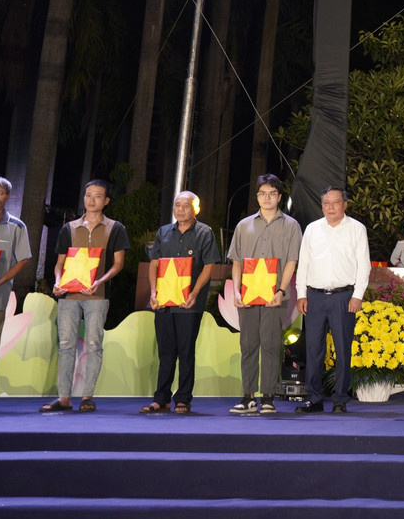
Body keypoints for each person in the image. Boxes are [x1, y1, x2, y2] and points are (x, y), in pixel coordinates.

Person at [42, 179, 130, 412]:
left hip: (98, 295)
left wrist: (99, 281)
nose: (91, 200)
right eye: (88, 195)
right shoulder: (69, 228)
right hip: (68, 296)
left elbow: (118, 263)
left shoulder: (115, 228)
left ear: (107, 201)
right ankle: (63, 398)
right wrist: (58, 283)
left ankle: (87, 396)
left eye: (98, 196)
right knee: (66, 344)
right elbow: (59, 264)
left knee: (93, 343)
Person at [227, 174, 302, 415]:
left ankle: (268, 396)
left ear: (279, 197)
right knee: (248, 345)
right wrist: (237, 291)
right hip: (247, 296)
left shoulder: (291, 225)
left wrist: (281, 290)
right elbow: (236, 261)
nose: (267, 197)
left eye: (272, 193)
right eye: (262, 193)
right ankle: (248, 397)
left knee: (271, 345)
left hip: (275, 297)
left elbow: (292, 260)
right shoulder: (244, 225)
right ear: (257, 196)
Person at [142, 191, 221, 414]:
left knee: (186, 352)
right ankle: (161, 398)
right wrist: (153, 292)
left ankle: (183, 398)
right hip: (164, 302)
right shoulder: (164, 232)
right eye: (177, 205)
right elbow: (154, 264)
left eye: (186, 205)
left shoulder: (204, 233)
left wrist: (195, 292)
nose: (181, 209)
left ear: (196, 209)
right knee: (166, 352)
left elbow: (209, 265)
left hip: (189, 303)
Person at [294, 186, 371, 413]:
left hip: (344, 297)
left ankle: (339, 399)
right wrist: (301, 294)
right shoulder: (312, 229)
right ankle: (314, 398)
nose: (330, 207)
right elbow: (304, 264)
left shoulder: (356, 229)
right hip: (315, 296)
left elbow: (363, 265)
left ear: (344, 205)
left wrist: (357, 295)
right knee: (313, 349)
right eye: (326, 203)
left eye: (335, 202)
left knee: (342, 348)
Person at [0, 176, 32, 389]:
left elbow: (24, 258)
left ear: (8, 196)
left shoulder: (17, 226)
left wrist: (0, 282)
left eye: (0, 193)